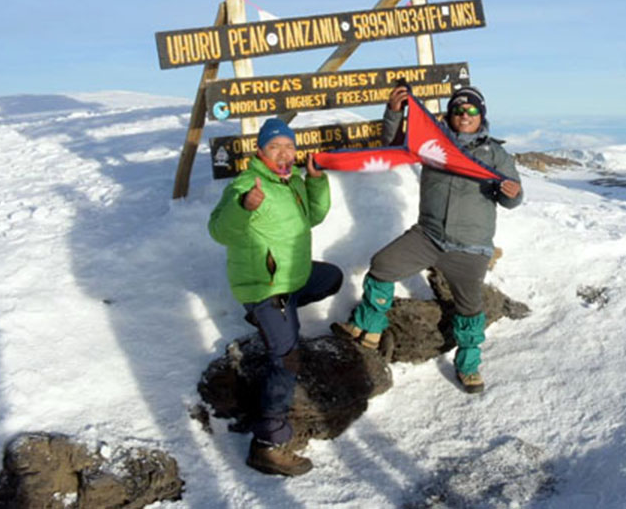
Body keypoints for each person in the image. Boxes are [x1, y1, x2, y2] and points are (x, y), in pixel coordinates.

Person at [332, 85, 523, 393]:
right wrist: (395, 113)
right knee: (382, 266)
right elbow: (393, 147)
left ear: (481, 115)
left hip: (469, 247)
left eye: (472, 110)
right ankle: (371, 327)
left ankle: (469, 365)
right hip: (428, 236)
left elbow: (513, 199)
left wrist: (510, 193)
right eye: (459, 110)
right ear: (450, 114)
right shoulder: (433, 143)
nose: (465, 115)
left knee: (469, 308)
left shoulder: (495, 155)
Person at [208, 117, 340, 477]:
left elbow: (313, 216)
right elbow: (218, 230)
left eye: (288, 147)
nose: (284, 153)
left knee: (331, 277)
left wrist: (315, 181)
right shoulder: (246, 184)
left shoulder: (290, 182)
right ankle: (267, 445)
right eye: (275, 147)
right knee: (286, 357)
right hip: (266, 286)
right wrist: (244, 207)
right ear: (260, 151)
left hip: (291, 278)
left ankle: (274, 318)